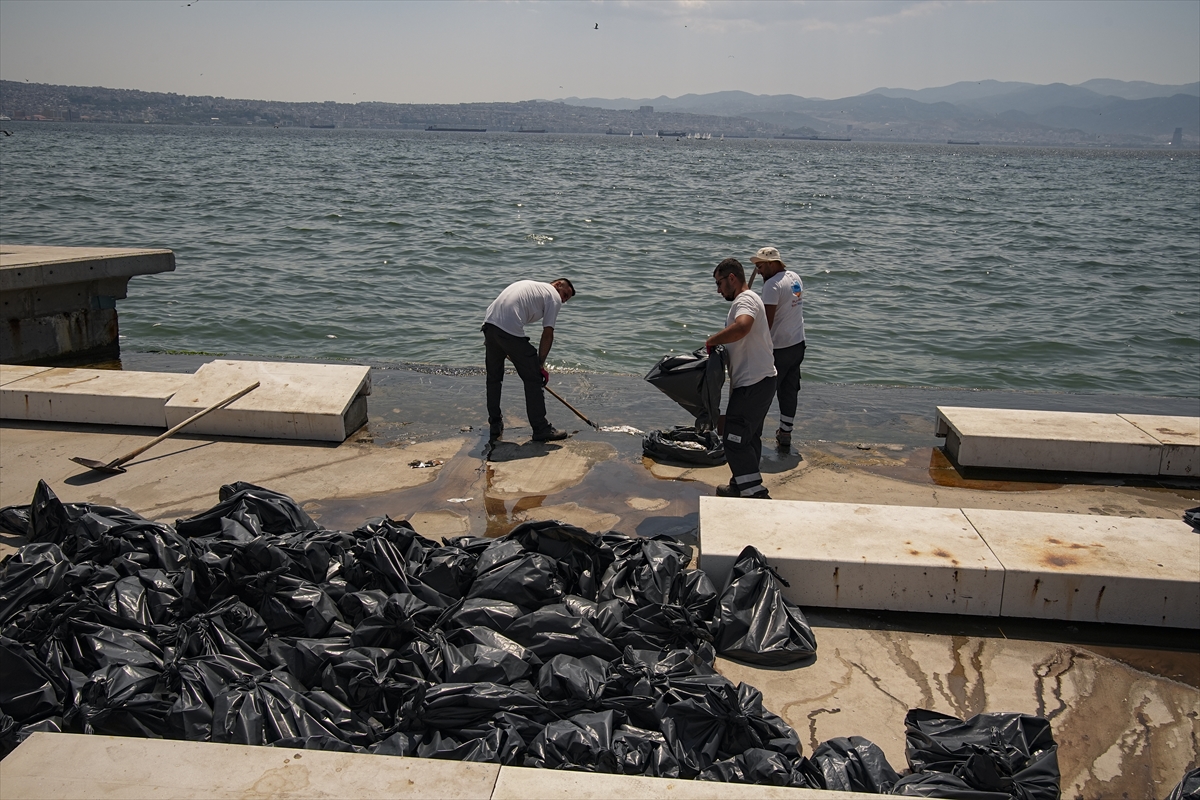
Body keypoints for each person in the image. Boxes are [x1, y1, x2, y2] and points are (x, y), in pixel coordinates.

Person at [704, 258, 777, 499]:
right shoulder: (750, 299)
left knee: (735, 440)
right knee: (749, 437)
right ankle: (740, 484)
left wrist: (713, 340)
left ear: (732, 278)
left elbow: (743, 326)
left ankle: (755, 493)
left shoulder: (745, 300)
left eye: (719, 283)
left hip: (752, 384)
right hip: (761, 381)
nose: (718, 290)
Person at [481, 278, 576, 442]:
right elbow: (548, 333)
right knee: (534, 379)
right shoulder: (552, 294)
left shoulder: (530, 285)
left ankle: (495, 423)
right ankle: (541, 428)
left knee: (494, 379)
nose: (563, 300)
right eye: (565, 294)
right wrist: (539, 365)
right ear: (558, 284)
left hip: (489, 325)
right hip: (506, 329)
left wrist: (500, 345)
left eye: (566, 299)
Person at [750, 246, 806, 450]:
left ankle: (753, 433)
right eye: (756, 267)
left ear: (772, 264)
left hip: (779, 348)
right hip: (797, 344)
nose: (758, 272)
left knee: (763, 390)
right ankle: (785, 432)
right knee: (789, 389)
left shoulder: (772, 285)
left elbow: (767, 322)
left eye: (760, 266)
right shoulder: (795, 278)